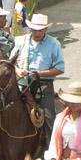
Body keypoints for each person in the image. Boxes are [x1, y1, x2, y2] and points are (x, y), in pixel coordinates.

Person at [12, 13, 65, 141]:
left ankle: (51, 149)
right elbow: (10, 63)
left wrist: (39, 74)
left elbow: (59, 68)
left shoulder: (54, 44)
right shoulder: (20, 41)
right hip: (22, 84)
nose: (37, 33)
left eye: (40, 30)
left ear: (46, 30)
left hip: (43, 84)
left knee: (48, 118)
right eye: (35, 30)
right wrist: (18, 70)